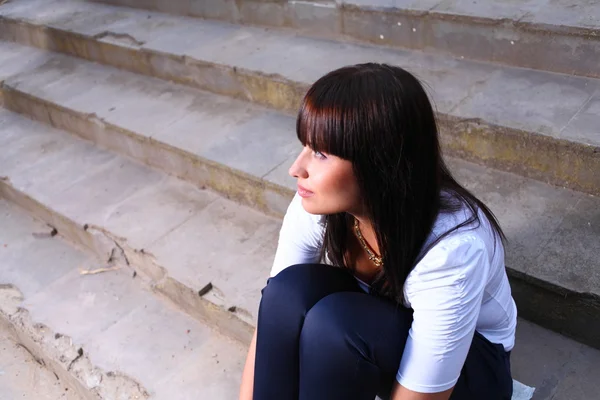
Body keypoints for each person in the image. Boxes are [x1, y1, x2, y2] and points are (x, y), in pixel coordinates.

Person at [239, 63, 517, 400]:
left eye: (321, 153)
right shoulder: (316, 204)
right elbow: (272, 321)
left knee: (334, 325)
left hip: (472, 372)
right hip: (382, 327)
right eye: (305, 147)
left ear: (379, 164)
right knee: (286, 293)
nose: (296, 169)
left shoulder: (452, 251)